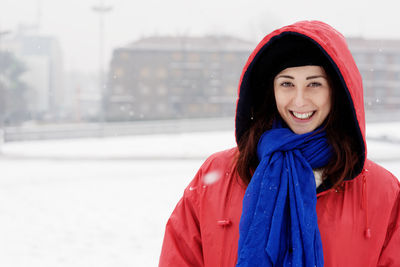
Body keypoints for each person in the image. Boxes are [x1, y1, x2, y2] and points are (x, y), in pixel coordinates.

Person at [159, 20, 400, 266]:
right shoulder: (216, 176)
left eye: (314, 84)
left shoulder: (382, 191)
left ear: (336, 91)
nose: (299, 100)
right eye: (287, 83)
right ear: (271, 90)